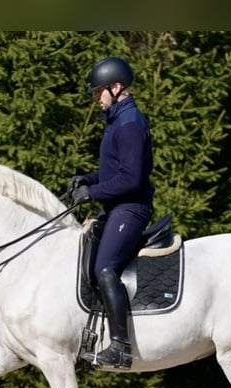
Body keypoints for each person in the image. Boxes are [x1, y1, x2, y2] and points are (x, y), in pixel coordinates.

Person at [68, 56, 155, 369]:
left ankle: (120, 346)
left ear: (116, 87)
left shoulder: (131, 123)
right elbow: (114, 171)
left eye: (98, 92)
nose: (96, 98)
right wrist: (87, 179)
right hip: (117, 206)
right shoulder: (119, 120)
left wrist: (91, 193)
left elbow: (131, 179)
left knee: (105, 268)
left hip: (131, 208)